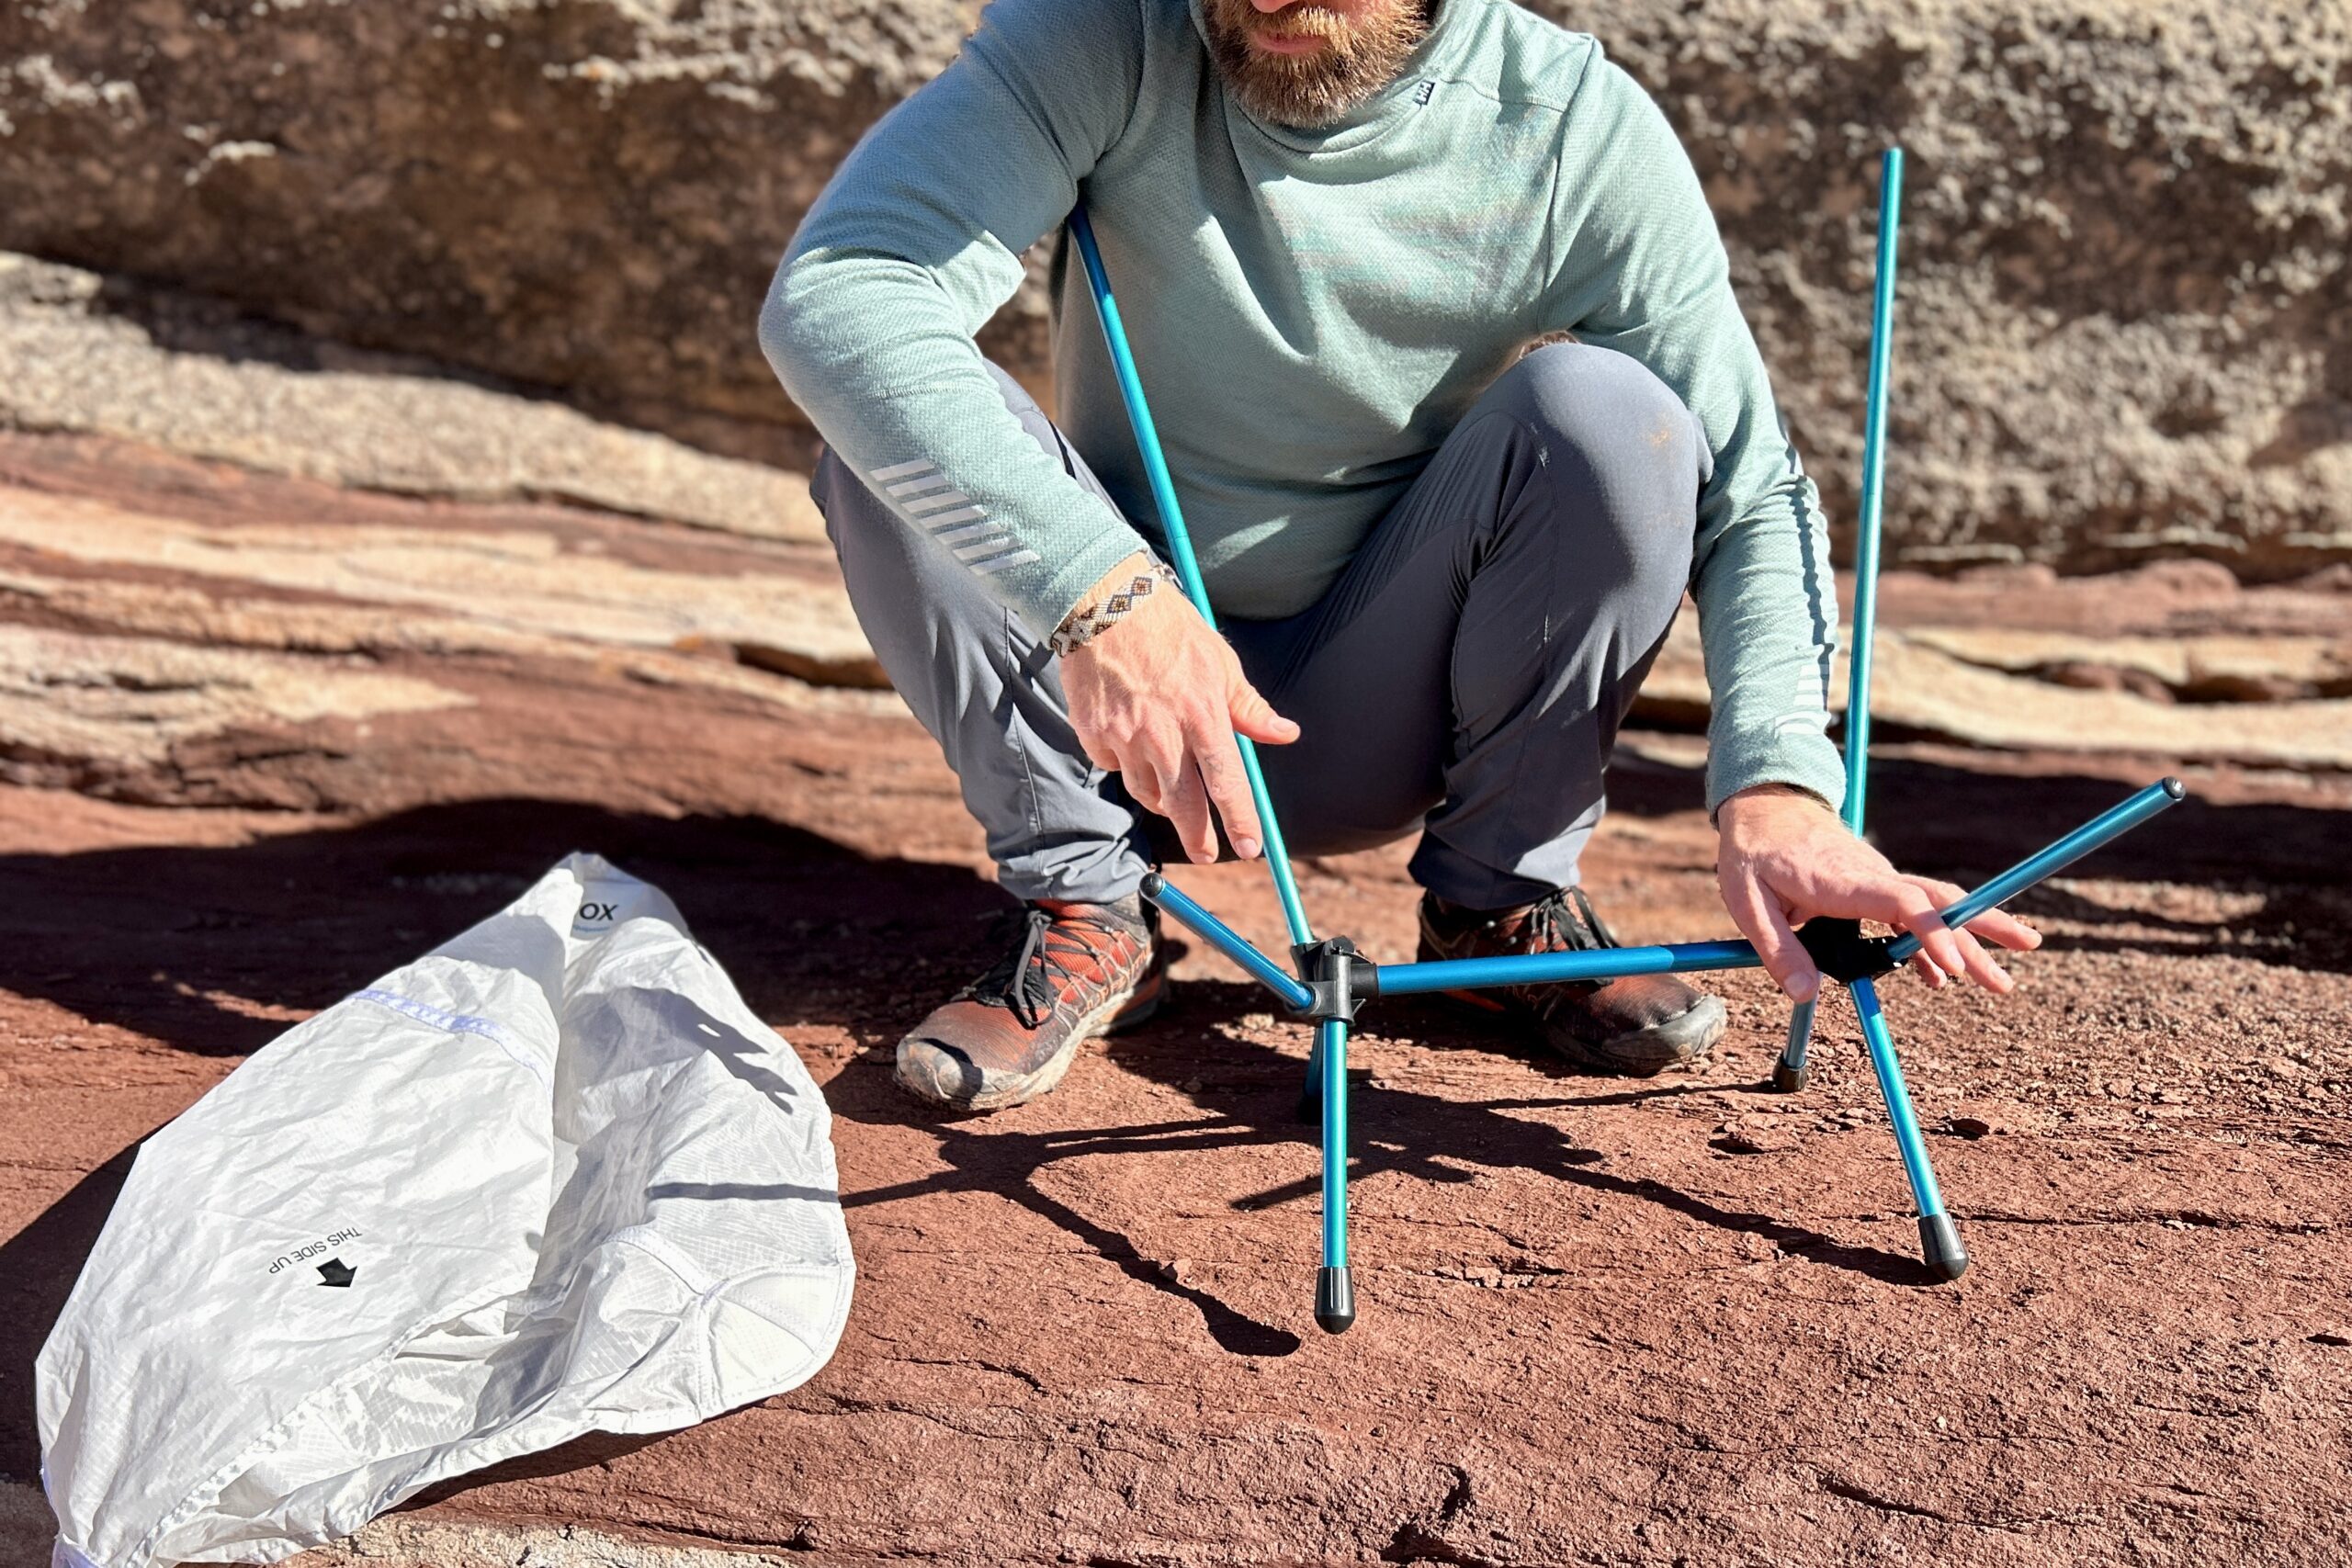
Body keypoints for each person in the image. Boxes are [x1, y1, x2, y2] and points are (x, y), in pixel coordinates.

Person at [760, 0, 2039, 1112]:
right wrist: (1104, 595)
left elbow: (1752, 492)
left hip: (1384, 711)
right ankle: (1086, 905)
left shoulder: (1574, 127)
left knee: (1611, 417)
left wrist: (1780, 786)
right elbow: (841, 293)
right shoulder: (1107, 33)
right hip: (1107, 716)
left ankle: (1499, 900)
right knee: (885, 430)